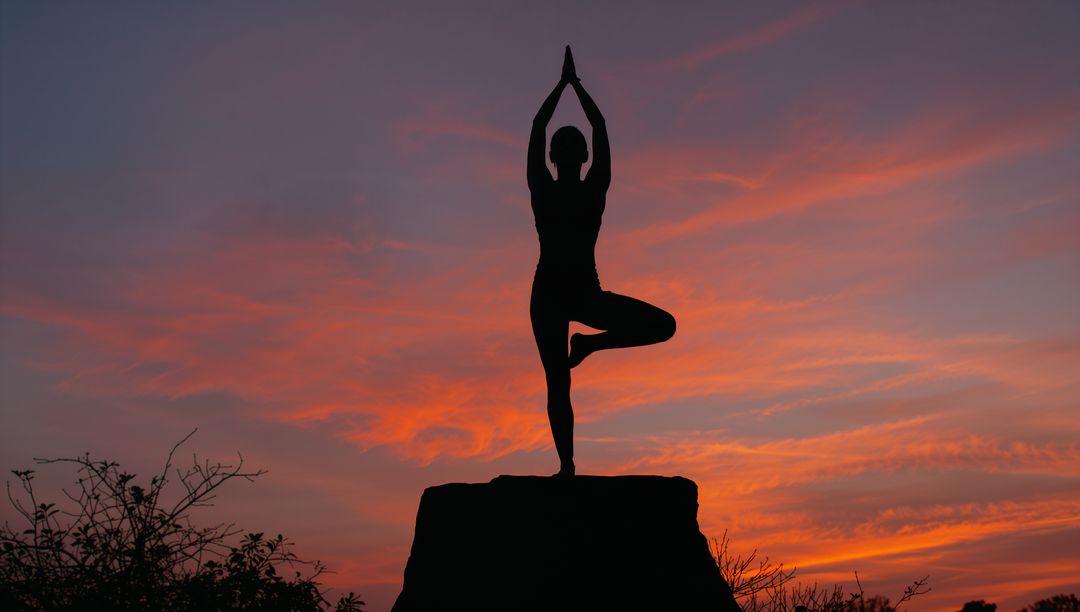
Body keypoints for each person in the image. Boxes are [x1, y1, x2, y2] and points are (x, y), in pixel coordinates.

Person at [528, 47, 676, 477]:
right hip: (550, 296)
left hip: (582, 291)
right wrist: (573, 85)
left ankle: (590, 344)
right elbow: (591, 125)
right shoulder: (554, 189)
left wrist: (566, 85)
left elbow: (556, 126)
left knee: (663, 326)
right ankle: (567, 467)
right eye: (565, 146)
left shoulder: (586, 188)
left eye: (570, 146)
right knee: (558, 382)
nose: (570, 151)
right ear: (559, 157)